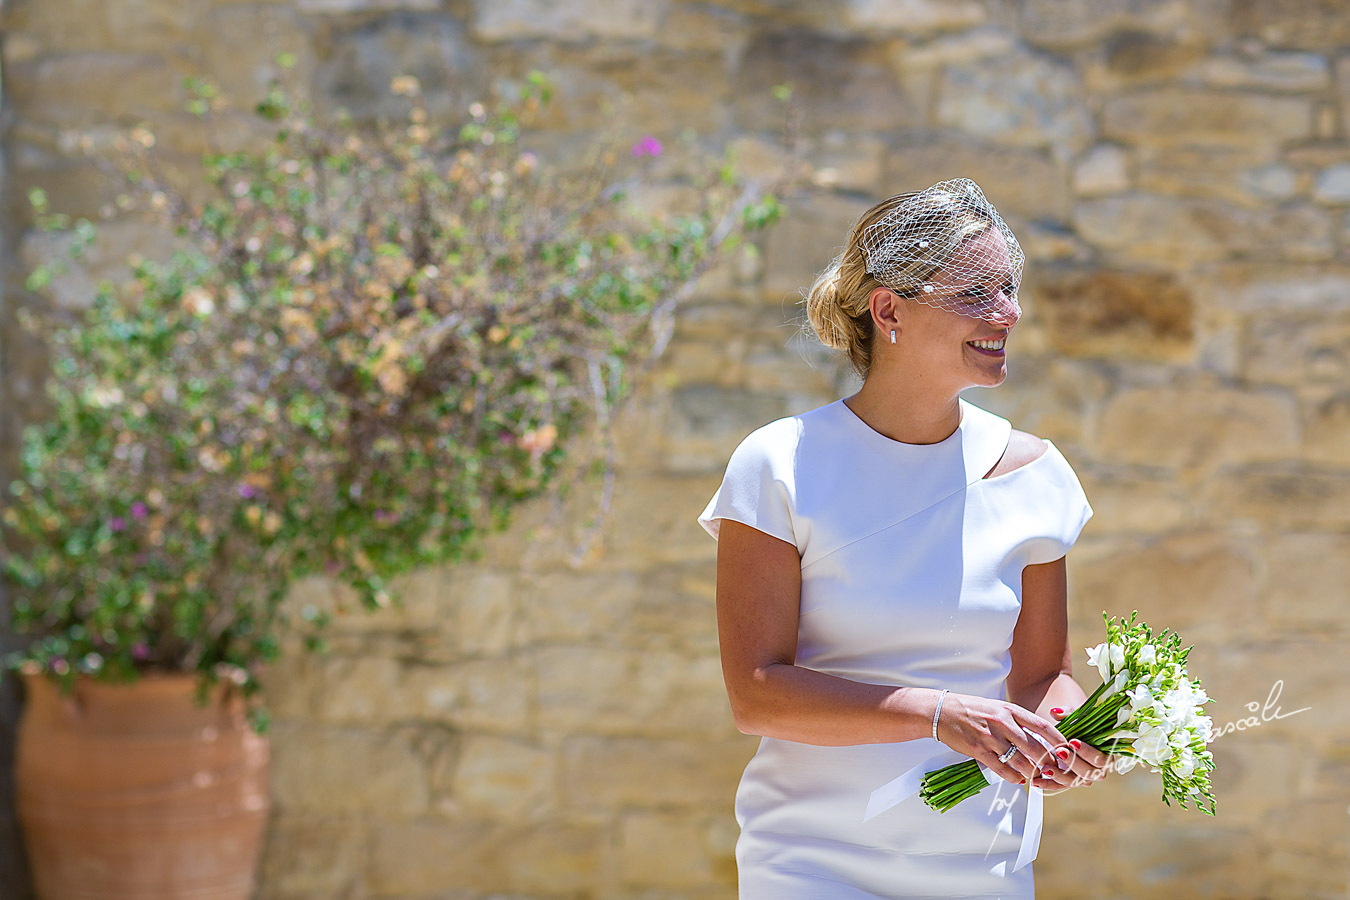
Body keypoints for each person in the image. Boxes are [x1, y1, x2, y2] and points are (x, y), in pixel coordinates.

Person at [696, 178, 1114, 898]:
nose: (1008, 313)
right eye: (975, 293)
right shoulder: (779, 464)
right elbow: (756, 694)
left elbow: (1042, 671)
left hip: (983, 866)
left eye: (1008, 289)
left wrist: (1078, 728)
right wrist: (936, 713)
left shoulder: (1035, 476)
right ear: (889, 309)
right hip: (812, 864)